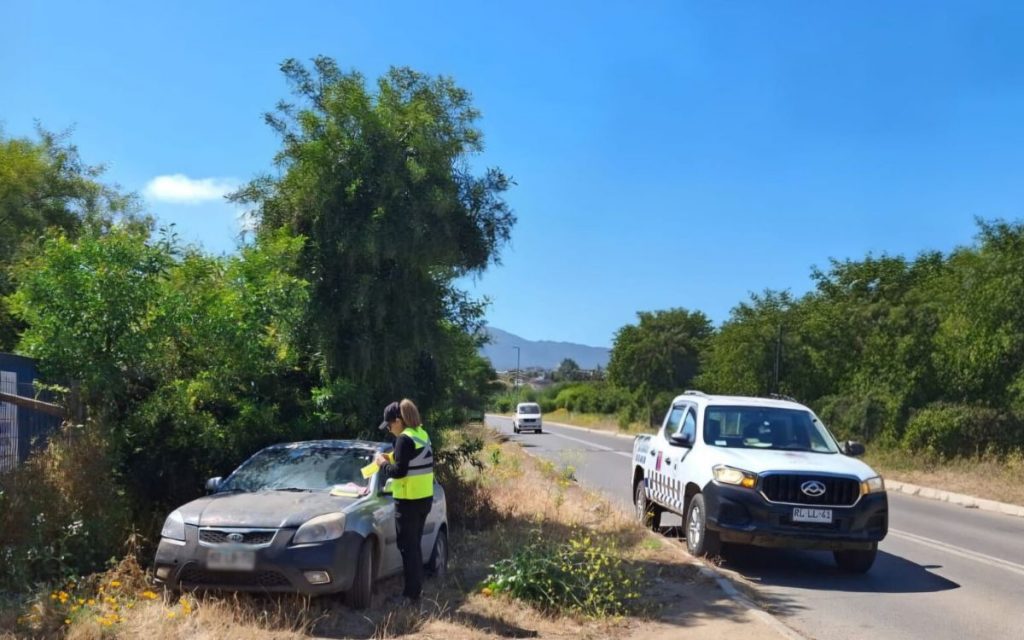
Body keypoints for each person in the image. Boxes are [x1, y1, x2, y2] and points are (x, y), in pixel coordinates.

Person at [374, 398, 434, 603]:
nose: (390, 429)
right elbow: (411, 459)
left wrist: (382, 463)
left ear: (398, 420)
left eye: (390, 425)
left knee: (408, 548)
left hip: (408, 501)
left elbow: (399, 472)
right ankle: (415, 590)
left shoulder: (404, 439)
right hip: (424, 499)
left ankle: (410, 595)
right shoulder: (421, 434)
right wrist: (392, 457)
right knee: (414, 546)